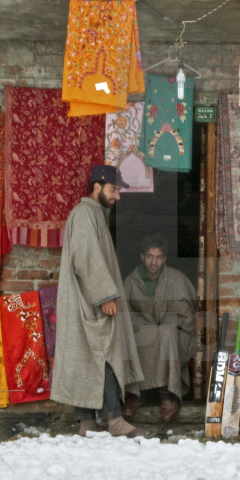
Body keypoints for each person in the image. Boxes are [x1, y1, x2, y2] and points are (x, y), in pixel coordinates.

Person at [50, 165, 147, 438]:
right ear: (96, 187)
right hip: (89, 301)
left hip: (86, 301)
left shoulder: (95, 214)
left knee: (88, 356)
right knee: (103, 354)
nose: (117, 196)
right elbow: (86, 257)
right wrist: (104, 294)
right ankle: (113, 419)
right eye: (113, 189)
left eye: (117, 191)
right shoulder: (84, 214)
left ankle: (86, 423)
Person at [121, 235, 196, 423]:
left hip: (174, 334)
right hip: (144, 332)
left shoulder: (176, 279)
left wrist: (164, 322)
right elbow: (124, 313)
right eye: (149, 256)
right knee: (134, 338)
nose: (153, 262)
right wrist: (144, 324)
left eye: (158, 257)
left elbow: (187, 315)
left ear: (165, 259)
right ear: (142, 257)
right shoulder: (132, 281)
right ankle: (136, 395)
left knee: (167, 333)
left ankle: (168, 396)